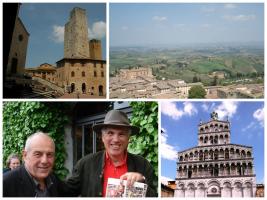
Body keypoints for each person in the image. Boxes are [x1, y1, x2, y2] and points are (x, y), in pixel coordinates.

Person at [65, 109, 157, 197]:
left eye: (121, 134)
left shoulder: (143, 165)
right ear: (103, 137)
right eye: (110, 133)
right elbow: (66, 192)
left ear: (128, 138)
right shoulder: (85, 164)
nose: (116, 139)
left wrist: (142, 181)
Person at [3, 132, 66, 197]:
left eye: (49, 154)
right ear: (25, 155)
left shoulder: (53, 178)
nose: (44, 161)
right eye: (38, 154)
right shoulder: (5, 184)